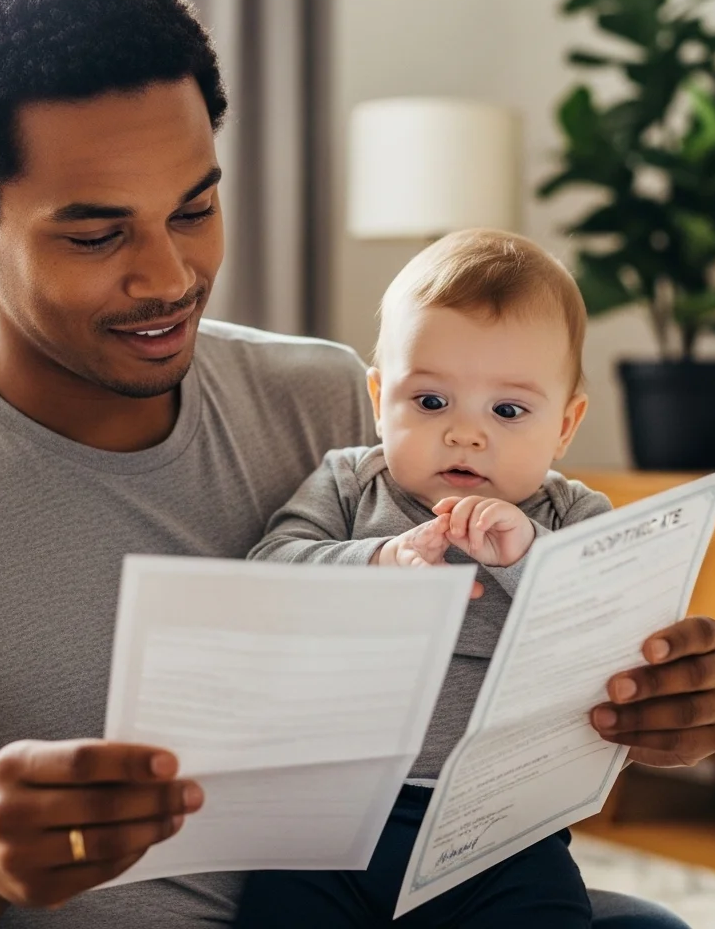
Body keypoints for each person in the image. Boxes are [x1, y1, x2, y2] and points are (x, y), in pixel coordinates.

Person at [0, 0, 715, 929]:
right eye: (95, 234)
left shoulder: (322, 395)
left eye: (195, 207)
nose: (168, 276)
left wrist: (658, 703)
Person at [239, 229, 610, 927]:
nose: (467, 433)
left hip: (505, 827)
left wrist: (526, 554)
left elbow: (605, 624)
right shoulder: (352, 485)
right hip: (328, 811)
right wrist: (375, 563)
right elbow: (268, 575)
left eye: (508, 411)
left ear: (565, 426)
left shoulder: (571, 516)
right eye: (431, 402)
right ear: (380, 398)